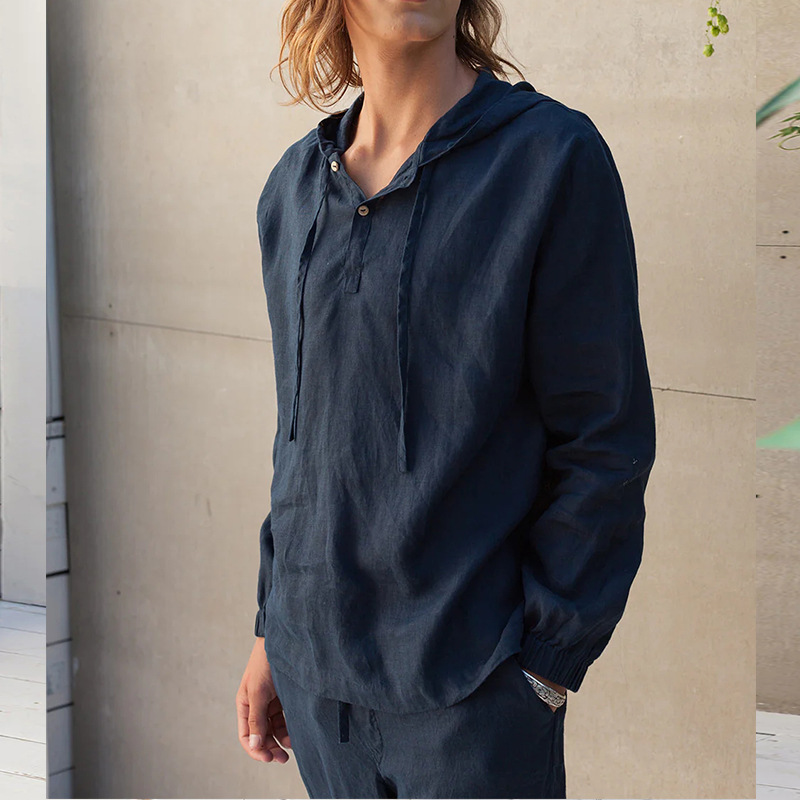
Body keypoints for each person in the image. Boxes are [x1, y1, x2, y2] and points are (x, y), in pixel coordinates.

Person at [236, 0, 657, 797]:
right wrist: (272, 625)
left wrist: (545, 667)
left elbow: (604, 434)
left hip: (474, 696)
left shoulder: (550, 158)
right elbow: (305, 436)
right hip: (316, 686)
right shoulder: (293, 189)